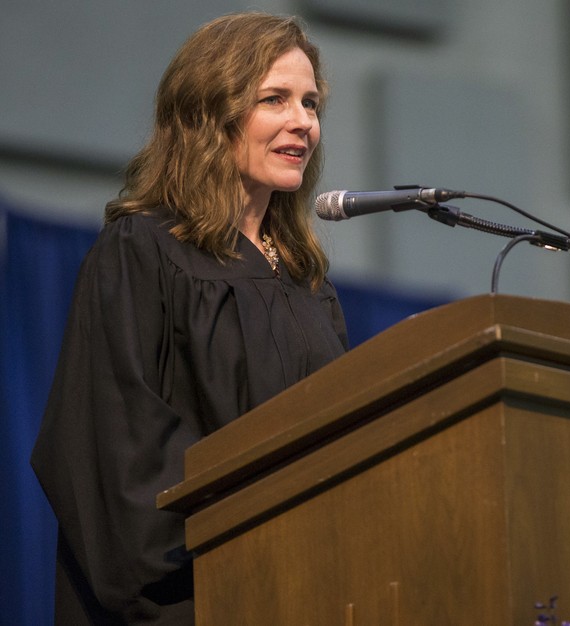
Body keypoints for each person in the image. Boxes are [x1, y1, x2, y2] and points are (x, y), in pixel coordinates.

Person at [30, 12, 348, 624]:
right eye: (274, 99)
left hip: (310, 593)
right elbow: (118, 451)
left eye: (310, 103)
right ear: (210, 111)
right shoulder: (142, 252)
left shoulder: (309, 284)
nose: (302, 122)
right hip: (199, 599)